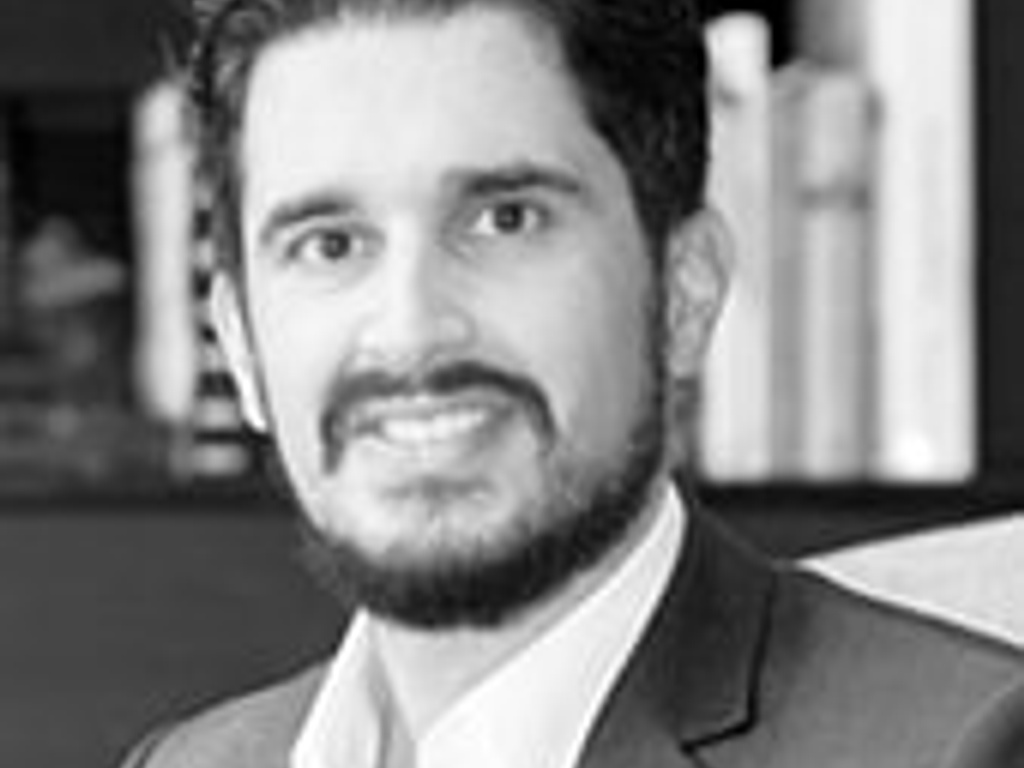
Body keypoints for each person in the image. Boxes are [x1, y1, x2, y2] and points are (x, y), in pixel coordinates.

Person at [125, 0, 1024, 766]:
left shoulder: (963, 746)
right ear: (240, 344)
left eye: (505, 219)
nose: (411, 330)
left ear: (683, 293)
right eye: (330, 244)